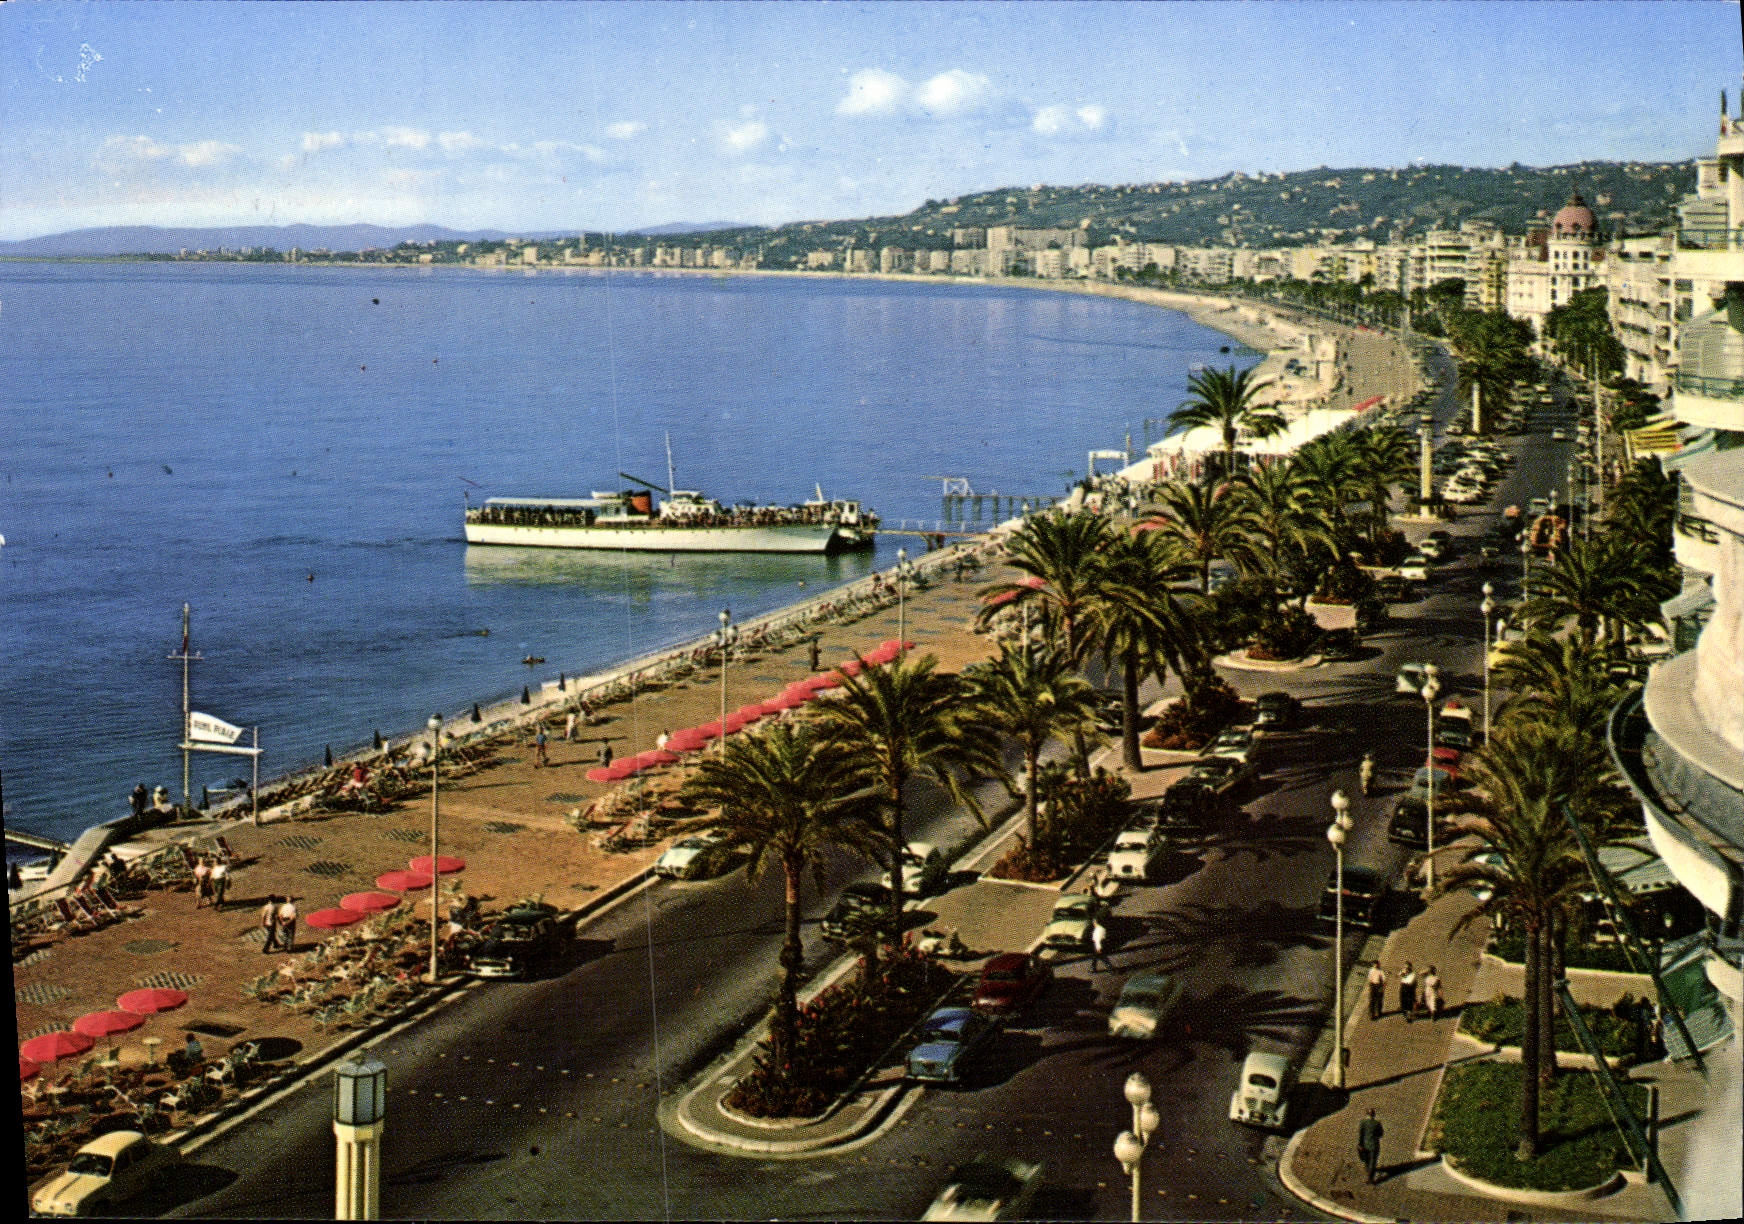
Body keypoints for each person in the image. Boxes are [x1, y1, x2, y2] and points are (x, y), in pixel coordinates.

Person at [1357, 1108, 1384, 1184]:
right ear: (1374, 1115)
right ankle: (1370, 1178)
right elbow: (1381, 1134)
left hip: (1365, 1145)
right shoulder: (1377, 1123)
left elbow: (1361, 1135)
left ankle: (1367, 1168)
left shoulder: (1363, 1122)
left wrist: (1360, 1144)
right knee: (1373, 1161)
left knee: (1367, 1159)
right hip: (1374, 1145)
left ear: (1366, 1114)